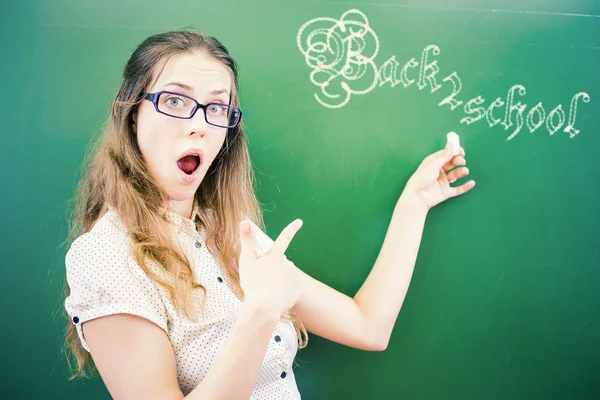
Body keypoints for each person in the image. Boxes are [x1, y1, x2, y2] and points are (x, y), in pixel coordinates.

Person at [63, 30, 475, 400]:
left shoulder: (229, 235)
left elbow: (368, 326)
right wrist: (259, 312)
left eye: (217, 108)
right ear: (132, 113)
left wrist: (413, 204)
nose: (199, 125)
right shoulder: (105, 256)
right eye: (175, 100)